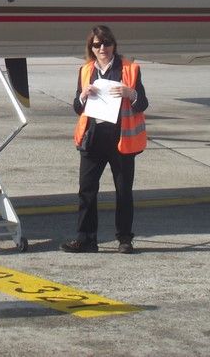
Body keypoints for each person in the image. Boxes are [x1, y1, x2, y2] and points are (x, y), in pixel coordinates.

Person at [61, 24, 148, 254]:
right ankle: (86, 240)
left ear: (113, 45)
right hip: (93, 138)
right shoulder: (85, 71)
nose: (102, 48)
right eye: (97, 45)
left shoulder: (130, 69)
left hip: (120, 138)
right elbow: (77, 108)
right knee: (86, 190)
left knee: (123, 191)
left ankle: (124, 239)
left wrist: (131, 93)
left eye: (106, 43)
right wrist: (82, 96)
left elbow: (142, 104)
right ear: (91, 48)